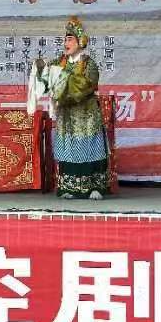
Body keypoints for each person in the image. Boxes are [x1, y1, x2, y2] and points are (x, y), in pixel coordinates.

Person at [32, 16, 109, 200]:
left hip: (86, 115)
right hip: (66, 115)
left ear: (80, 42)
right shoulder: (59, 62)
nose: (66, 43)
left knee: (89, 148)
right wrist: (41, 70)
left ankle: (94, 188)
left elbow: (83, 86)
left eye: (70, 39)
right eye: (65, 40)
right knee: (68, 148)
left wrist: (62, 79)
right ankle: (69, 187)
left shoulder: (89, 64)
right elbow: (47, 82)